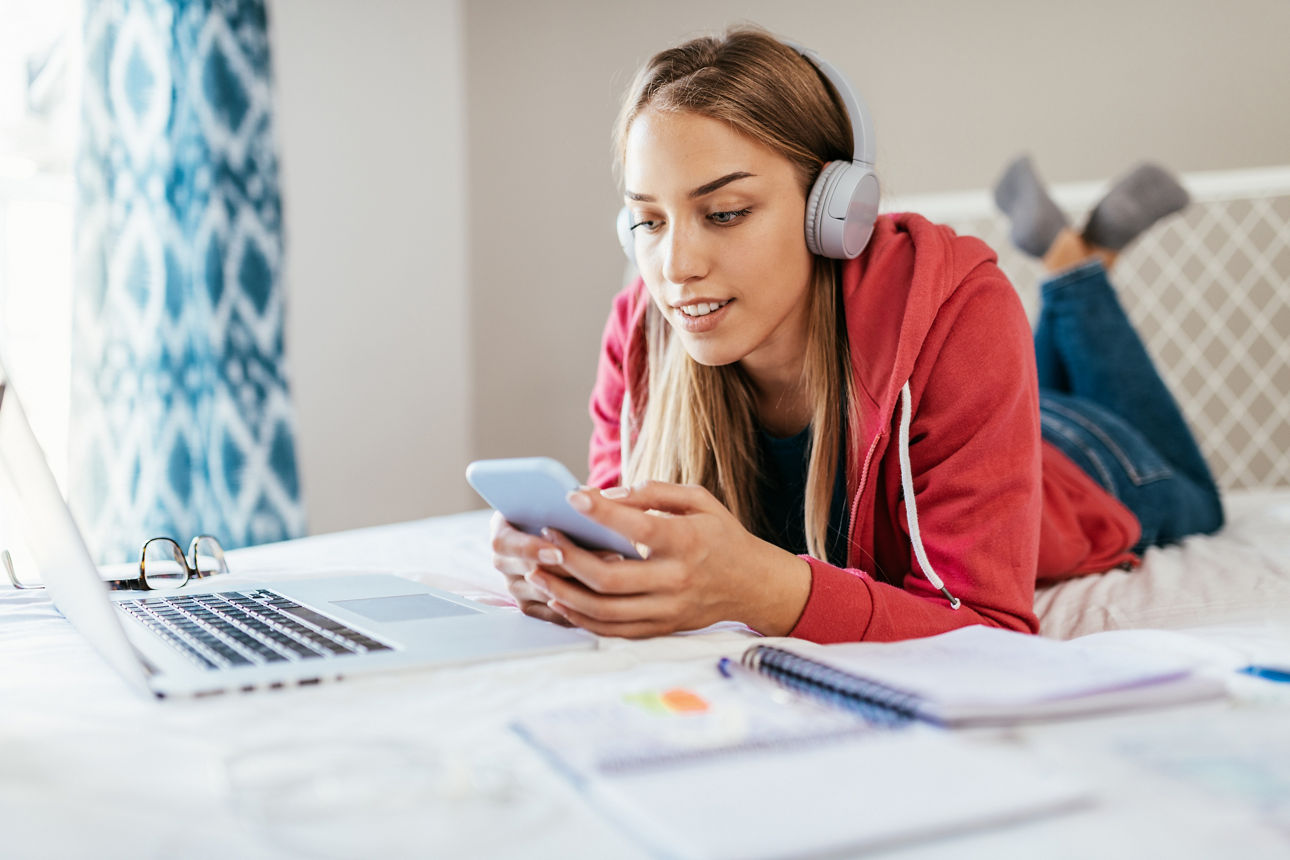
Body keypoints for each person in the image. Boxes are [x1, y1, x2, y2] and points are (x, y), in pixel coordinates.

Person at [489, 27, 1224, 643]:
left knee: (1198, 492)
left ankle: (1073, 274)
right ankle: (1081, 260)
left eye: (725, 212)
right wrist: (572, 569)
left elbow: (990, 630)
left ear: (833, 211)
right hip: (973, 409)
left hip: (1088, 458)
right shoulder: (644, 330)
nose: (674, 266)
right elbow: (631, 538)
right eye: (648, 220)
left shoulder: (960, 309)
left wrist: (764, 588)